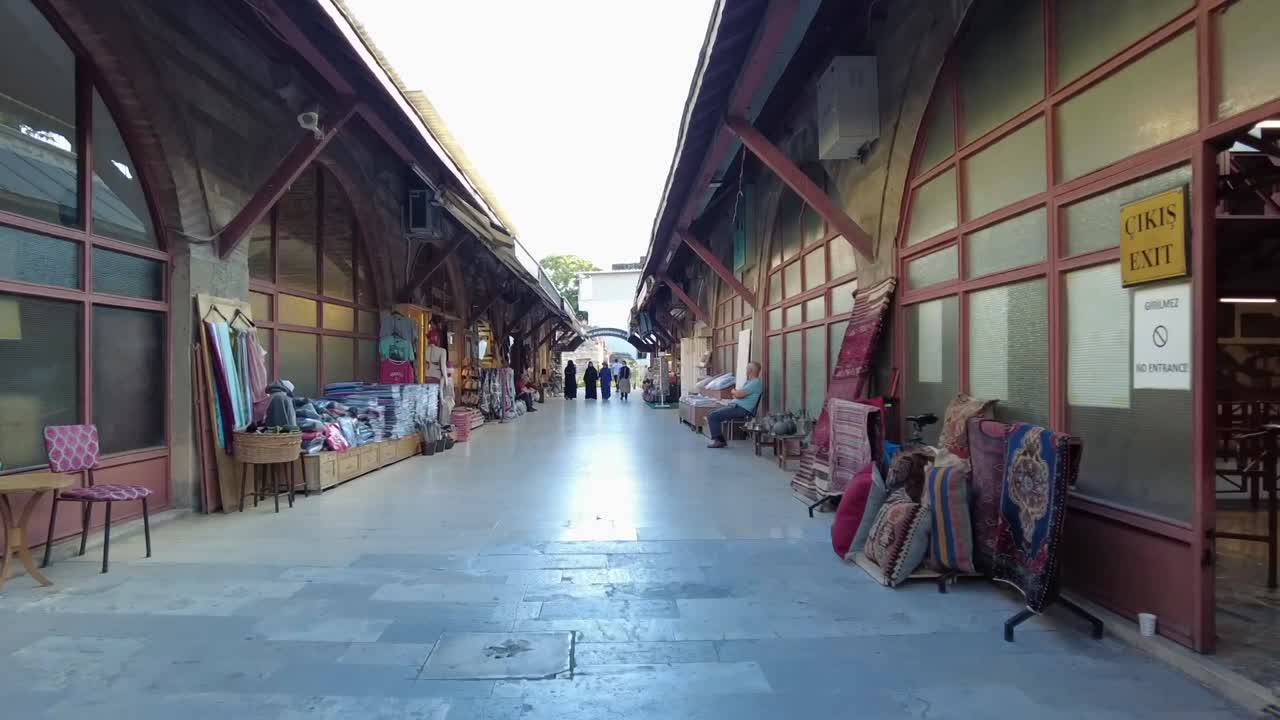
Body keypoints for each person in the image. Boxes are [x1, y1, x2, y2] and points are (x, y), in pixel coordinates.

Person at [706, 360, 763, 449]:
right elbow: (739, 395)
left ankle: (719, 441)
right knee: (711, 413)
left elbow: (738, 394)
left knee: (713, 416)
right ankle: (720, 440)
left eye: (747, 368)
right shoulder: (750, 382)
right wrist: (736, 394)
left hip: (742, 409)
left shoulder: (755, 383)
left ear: (750, 370)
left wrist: (733, 391)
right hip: (736, 406)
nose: (746, 370)